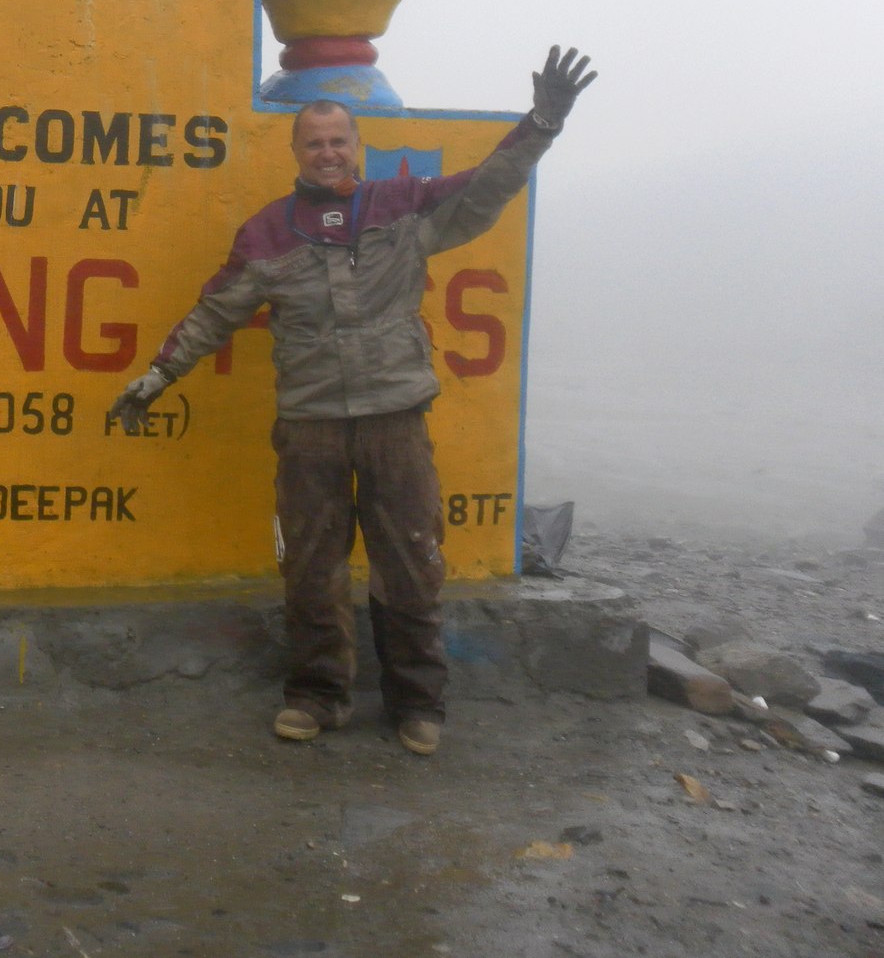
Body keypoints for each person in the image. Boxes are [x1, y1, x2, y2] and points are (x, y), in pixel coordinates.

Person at [110, 47, 596, 756]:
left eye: (340, 140)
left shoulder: (404, 207)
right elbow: (214, 312)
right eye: (315, 142)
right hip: (308, 430)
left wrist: (543, 122)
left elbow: (487, 186)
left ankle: (418, 704)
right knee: (310, 568)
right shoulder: (266, 234)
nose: (328, 152)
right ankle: (317, 696)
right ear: (296, 152)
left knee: (412, 562)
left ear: (358, 149)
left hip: (396, 421)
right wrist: (157, 376)